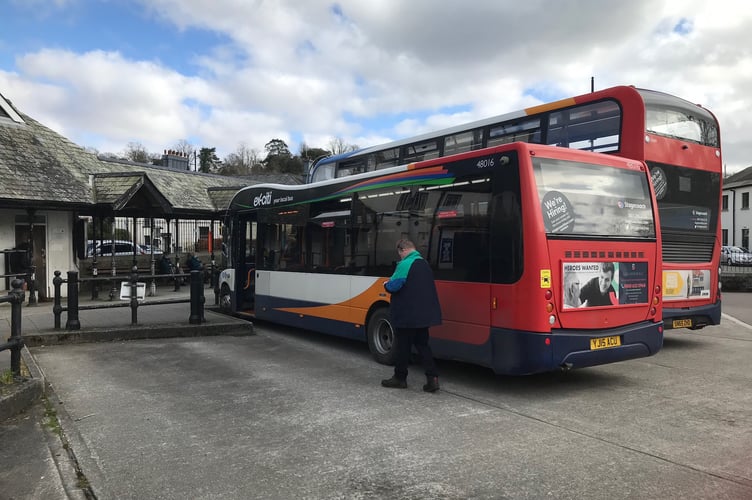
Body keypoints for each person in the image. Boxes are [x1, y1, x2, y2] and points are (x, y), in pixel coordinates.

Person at [381, 239, 442, 392]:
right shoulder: (424, 263)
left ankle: (400, 378)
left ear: (402, 250)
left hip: (407, 315)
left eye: (399, 253)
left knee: (403, 347)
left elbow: (394, 286)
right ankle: (432, 378)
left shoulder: (405, 264)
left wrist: (386, 285)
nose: (400, 256)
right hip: (423, 315)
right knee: (423, 345)